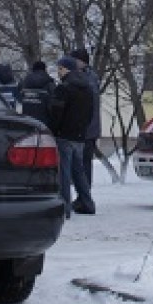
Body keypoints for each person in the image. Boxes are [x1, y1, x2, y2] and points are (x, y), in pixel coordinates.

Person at [50, 56, 96, 218]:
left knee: (64, 172)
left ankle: (65, 207)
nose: (58, 72)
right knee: (79, 172)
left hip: (64, 135)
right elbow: (91, 114)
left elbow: (57, 113)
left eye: (60, 69)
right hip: (80, 136)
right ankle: (87, 202)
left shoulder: (63, 88)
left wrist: (54, 130)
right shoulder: (88, 87)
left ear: (66, 69)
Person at [70, 48, 102, 192]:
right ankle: (83, 194)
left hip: (86, 129)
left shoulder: (87, 79)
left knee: (83, 163)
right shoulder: (88, 77)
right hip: (85, 128)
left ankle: (84, 195)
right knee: (81, 163)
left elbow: (87, 106)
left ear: (82, 62)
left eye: (74, 60)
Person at [18, 60, 56, 127]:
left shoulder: (23, 82)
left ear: (33, 69)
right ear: (44, 69)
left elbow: (19, 100)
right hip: (44, 123)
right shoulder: (49, 83)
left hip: (27, 122)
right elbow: (53, 104)